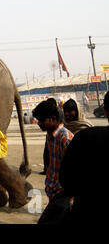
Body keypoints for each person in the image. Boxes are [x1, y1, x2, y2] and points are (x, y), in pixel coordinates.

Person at [59, 91, 109, 224]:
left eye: (71, 111)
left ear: (105, 110)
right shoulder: (64, 130)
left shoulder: (85, 132)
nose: (68, 114)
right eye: (66, 111)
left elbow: (67, 176)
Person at [32, 100, 74, 224]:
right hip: (54, 191)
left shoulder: (65, 138)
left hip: (64, 194)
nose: (39, 123)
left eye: (41, 120)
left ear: (53, 118)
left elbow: (76, 169)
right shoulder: (50, 136)